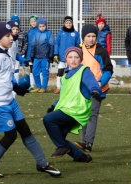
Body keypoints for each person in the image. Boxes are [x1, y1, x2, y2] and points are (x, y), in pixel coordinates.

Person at [0, 21, 60, 178]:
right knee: (11, 135)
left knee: (25, 131)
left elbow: (6, 78)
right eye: (7, 36)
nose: (11, 38)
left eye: (11, 35)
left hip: (10, 102)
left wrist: (18, 89)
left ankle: (42, 164)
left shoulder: (6, 54)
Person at [43, 47, 101, 162]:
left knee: (48, 120)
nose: (73, 60)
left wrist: (95, 90)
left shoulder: (84, 70)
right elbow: (64, 95)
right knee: (60, 135)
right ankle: (82, 157)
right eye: (70, 57)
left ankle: (62, 147)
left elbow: (92, 83)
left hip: (77, 110)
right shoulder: (65, 77)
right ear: (66, 60)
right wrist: (54, 105)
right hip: (67, 109)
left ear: (81, 59)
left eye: (76, 57)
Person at [73, 24, 113, 152]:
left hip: (97, 89)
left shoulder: (101, 51)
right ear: (83, 37)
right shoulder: (77, 51)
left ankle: (88, 143)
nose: (91, 39)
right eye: (88, 36)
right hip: (81, 89)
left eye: (93, 36)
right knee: (83, 115)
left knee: (92, 115)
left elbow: (108, 69)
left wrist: (100, 83)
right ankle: (84, 142)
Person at [53, 16, 81, 94]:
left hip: (72, 57)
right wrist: (56, 54)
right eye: (67, 23)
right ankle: (59, 87)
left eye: (70, 23)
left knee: (71, 72)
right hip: (62, 56)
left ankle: (70, 87)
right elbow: (56, 44)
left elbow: (78, 45)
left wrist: (78, 54)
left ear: (72, 24)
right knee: (60, 72)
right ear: (64, 24)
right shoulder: (60, 33)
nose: (68, 24)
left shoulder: (75, 33)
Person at [30, 18, 54, 93]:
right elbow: (33, 45)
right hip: (36, 57)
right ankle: (38, 86)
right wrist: (32, 55)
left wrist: (50, 56)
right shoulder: (36, 34)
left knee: (45, 72)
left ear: (46, 26)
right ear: (38, 26)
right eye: (40, 26)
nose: (42, 28)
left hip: (45, 57)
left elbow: (51, 45)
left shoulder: (49, 34)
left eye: (43, 26)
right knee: (35, 71)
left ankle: (43, 87)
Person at [25, 15, 38, 90]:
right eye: (31, 22)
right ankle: (32, 85)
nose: (33, 23)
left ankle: (38, 85)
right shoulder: (29, 32)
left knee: (37, 69)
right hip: (30, 53)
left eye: (34, 21)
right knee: (31, 68)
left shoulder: (39, 30)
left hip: (37, 53)